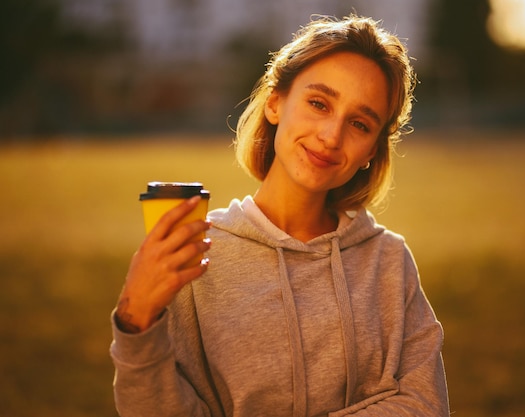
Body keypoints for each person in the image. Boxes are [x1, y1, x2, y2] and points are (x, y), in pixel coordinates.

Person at [110, 14, 450, 417]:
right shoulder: (193, 253)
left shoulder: (390, 262)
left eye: (359, 124)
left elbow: (425, 405)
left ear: (372, 151)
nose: (331, 136)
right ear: (275, 103)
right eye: (319, 103)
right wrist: (136, 324)